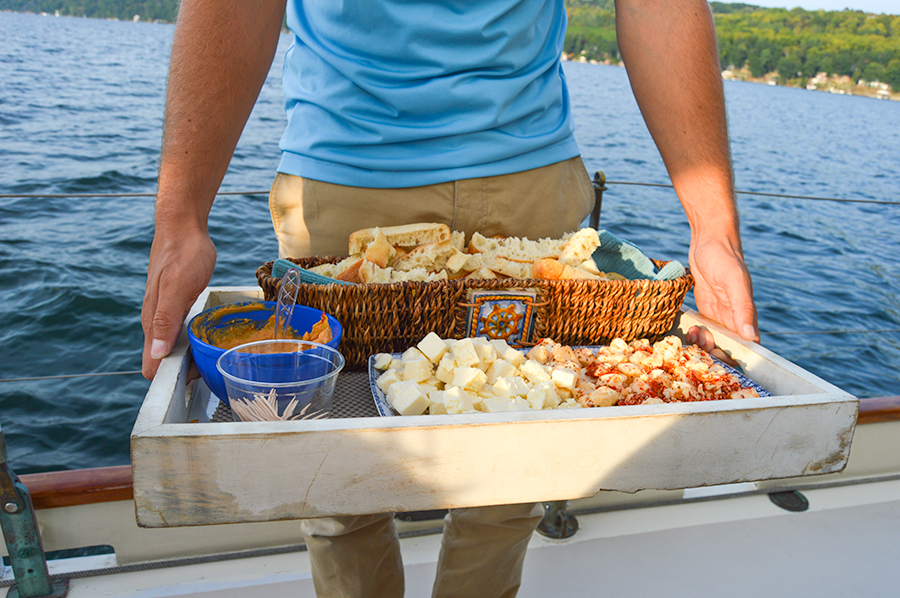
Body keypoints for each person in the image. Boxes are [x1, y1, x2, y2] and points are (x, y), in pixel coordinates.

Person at [142, 0, 759, 596]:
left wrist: (714, 231)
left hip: (526, 184)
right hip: (349, 178)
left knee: (521, 453)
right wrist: (181, 217)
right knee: (330, 471)